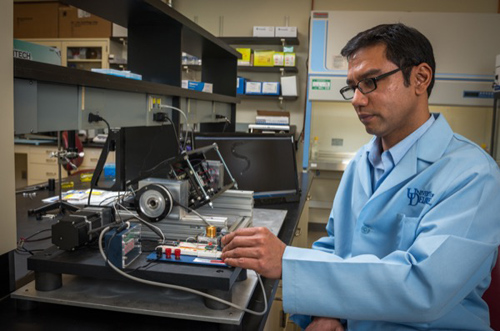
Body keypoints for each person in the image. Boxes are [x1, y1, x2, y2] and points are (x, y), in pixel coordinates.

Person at [221, 22, 500, 330]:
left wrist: (288, 261)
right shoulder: (361, 162)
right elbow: (336, 248)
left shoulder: (473, 174)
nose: (356, 99)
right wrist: (324, 313)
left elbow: (424, 287)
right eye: (352, 86)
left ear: (420, 78)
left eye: (370, 81)